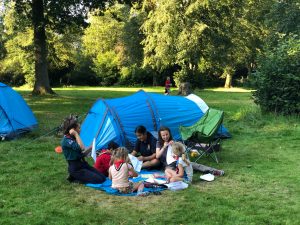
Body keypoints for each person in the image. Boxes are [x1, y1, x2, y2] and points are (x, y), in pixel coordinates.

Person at [61, 116, 106, 184]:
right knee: (99, 180)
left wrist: (91, 147)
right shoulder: (67, 140)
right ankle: (75, 177)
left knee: (103, 177)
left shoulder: (73, 138)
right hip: (76, 168)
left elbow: (82, 152)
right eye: (79, 128)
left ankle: (75, 177)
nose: (80, 129)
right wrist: (76, 134)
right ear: (73, 130)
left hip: (82, 164)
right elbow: (82, 148)